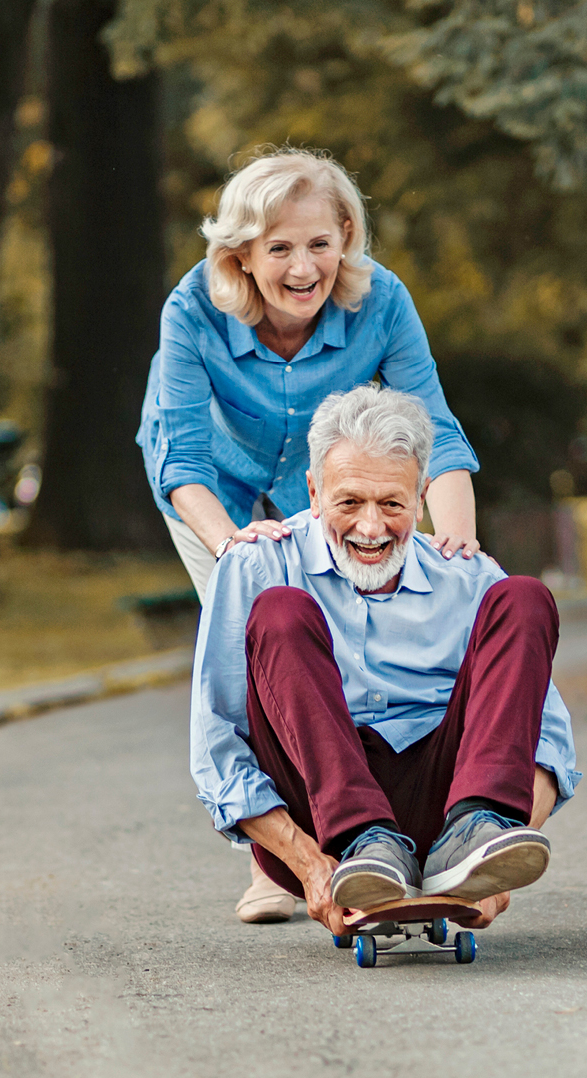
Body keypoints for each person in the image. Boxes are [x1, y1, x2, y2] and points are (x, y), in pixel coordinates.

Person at [136, 147, 485, 923]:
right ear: (243, 254)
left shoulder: (382, 301)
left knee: (333, 638)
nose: (304, 267)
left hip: (332, 488)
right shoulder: (193, 309)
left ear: (347, 239)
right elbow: (181, 458)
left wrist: (459, 540)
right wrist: (233, 546)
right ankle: (272, 861)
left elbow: (439, 434)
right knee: (256, 641)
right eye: (280, 248)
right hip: (213, 493)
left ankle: (364, 831)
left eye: (321, 243)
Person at [191, 384, 579, 934]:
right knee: (280, 612)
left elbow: (549, 742)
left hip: (444, 806)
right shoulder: (255, 565)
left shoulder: (466, 576)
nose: (371, 528)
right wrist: (308, 864)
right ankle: (362, 847)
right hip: (317, 815)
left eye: (392, 504)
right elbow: (218, 745)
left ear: (421, 499)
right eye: (349, 502)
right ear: (313, 491)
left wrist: (499, 865)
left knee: (524, 598)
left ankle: (477, 829)